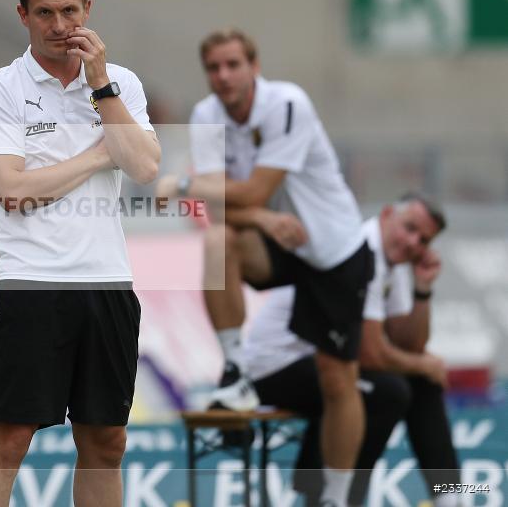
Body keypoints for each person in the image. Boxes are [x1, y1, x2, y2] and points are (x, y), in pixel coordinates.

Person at [0, 0, 160, 507]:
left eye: (70, 11)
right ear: (23, 15)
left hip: (108, 281)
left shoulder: (120, 83)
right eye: (45, 13)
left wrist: (101, 84)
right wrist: (99, 156)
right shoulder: (1, 88)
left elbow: (145, 167)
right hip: (33, 280)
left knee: (106, 439)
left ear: (88, 9)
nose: (59, 26)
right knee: (8, 438)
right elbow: (13, 190)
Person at [156, 28, 374, 507]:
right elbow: (223, 211)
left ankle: (337, 498)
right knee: (218, 241)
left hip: (333, 250)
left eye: (233, 64)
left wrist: (186, 180)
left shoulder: (286, 102)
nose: (223, 75)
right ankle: (235, 374)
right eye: (214, 67)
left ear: (255, 67)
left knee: (340, 379)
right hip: (279, 240)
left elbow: (248, 191)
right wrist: (261, 217)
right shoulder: (206, 114)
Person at [244, 193, 462, 506]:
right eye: (410, 228)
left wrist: (423, 290)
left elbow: (409, 344)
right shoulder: (362, 250)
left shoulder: (398, 259)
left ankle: (449, 498)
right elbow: (370, 354)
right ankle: (332, 496)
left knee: (419, 383)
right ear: (387, 214)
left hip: (321, 361)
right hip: (275, 365)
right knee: (388, 391)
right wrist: (423, 364)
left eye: (423, 239)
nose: (414, 242)